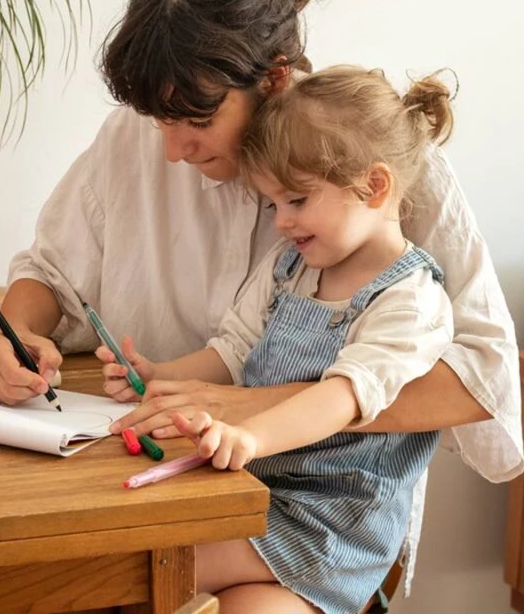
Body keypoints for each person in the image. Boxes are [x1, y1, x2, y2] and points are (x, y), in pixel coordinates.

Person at [0, 0, 522, 585]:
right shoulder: (136, 138)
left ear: (275, 77)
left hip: (324, 518)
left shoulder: (377, 162)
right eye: (157, 119)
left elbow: (481, 376)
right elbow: (50, 272)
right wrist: (17, 335)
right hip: (172, 472)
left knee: (107, 582)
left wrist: (252, 409)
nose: (172, 150)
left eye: (194, 119)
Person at [100, 65, 467, 613]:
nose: (281, 222)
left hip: (334, 526)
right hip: (257, 497)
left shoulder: (410, 301)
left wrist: (249, 437)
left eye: (297, 201)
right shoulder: (291, 266)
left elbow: (341, 399)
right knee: (171, 577)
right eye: (274, 204)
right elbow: (233, 348)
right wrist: (160, 374)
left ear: (374, 185)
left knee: (148, 570)